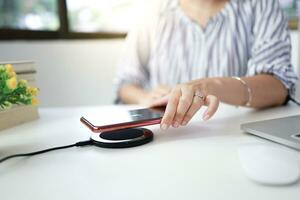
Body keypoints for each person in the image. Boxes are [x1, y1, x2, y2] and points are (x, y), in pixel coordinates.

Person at [115, 0, 298, 130]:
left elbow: (280, 86)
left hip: (233, 136)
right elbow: (125, 82)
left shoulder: (262, 5)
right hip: (169, 136)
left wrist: (211, 86)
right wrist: (145, 98)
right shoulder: (152, 8)